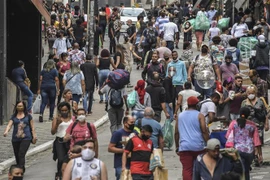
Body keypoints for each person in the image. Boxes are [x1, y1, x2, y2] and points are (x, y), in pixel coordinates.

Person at [175, 96, 209, 180]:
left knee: (187, 169)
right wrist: (208, 143)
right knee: (200, 168)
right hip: (198, 147)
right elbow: (204, 131)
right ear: (197, 105)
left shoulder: (180, 116)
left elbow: (176, 132)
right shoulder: (200, 115)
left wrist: (177, 147)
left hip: (185, 147)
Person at [226, 107, 261, 180]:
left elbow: (228, 136)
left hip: (236, 150)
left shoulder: (233, 123)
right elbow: (257, 141)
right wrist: (260, 154)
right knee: (246, 170)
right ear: (248, 115)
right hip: (249, 151)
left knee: (237, 170)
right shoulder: (252, 125)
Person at [3, 101, 37, 171]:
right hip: (15, 139)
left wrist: (34, 136)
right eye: (18, 106)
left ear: (24, 107)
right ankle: (19, 168)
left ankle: (21, 169)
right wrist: (6, 131)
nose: (20, 108)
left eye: (21, 106)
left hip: (26, 138)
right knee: (17, 155)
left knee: (21, 153)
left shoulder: (28, 116)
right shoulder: (13, 117)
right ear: (16, 107)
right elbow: (9, 125)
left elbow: (32, 127)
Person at [241, 85, 269, 166]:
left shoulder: (260, 101)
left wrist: (267, 123)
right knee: (251, 141)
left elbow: (265, 113)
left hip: (259, 124)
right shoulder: (244, 102)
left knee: (258, 141)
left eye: (252, 93)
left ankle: (259, 156)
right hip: (248, 125)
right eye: (249, 93)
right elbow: (242, 114)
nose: (251, 94)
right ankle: (254, 156)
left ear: (255, 93)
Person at [108, 116, 136, 180]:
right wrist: (124, 151)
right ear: (125, 123)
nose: (133, 124)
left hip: (133, 163)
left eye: (134, 122)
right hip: (120, 163)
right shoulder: (118, 133)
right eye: (131, 122)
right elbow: (110, 148)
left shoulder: (135, 133)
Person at [51, 102, 73, 180]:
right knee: (60, 159)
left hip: (70, 141)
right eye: (62, 110)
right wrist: (57, 123)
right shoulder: (56, 119)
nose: (64, 112)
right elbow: (53, 132)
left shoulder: (72, 119)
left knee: (69, 158)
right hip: (60, 141)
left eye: (65, 110)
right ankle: (59, 174)